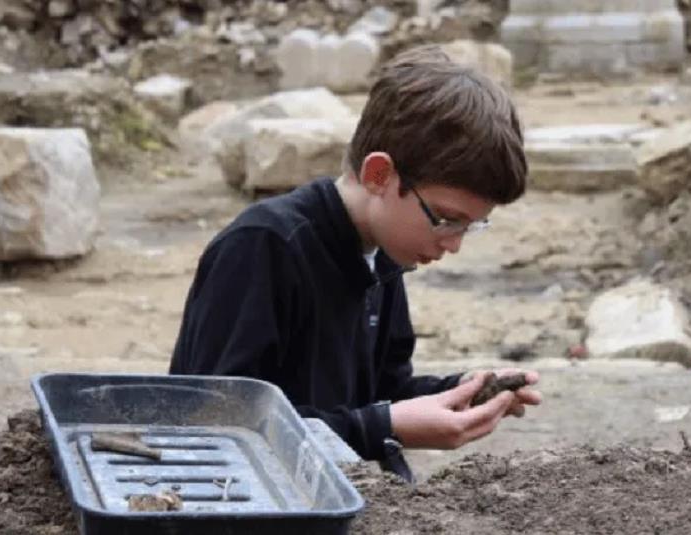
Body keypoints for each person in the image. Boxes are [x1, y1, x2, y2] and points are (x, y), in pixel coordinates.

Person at [169, 44, 542, 481]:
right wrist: (383, 428)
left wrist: (460, 392)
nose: (454, 245)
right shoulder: (263, 248)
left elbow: (383, 393)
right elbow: (218, 425)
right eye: (446, 219)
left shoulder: (382, 255)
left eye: (471, 226)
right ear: (379, 175)